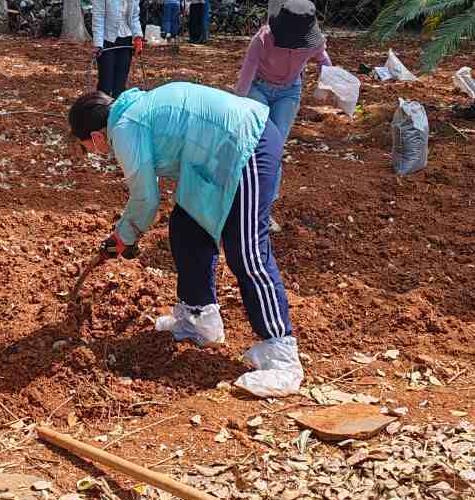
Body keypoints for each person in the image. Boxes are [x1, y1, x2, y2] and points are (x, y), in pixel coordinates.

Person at [67, 84, 304, 397]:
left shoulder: (123, 128)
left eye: (87, 145)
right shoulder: (133, 110)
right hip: (214, 156)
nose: (94, 151)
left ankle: (281, 357)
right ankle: (199, 318)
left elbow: (145, 199)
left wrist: (123, 236)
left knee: (246, 251)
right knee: (187, 229)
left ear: (96, 136)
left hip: (246, 145)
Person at [235, 0, 332, 143]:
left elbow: (323, 61)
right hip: (258, 88)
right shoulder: (262, 39)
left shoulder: (314, 44)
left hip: (289, 92)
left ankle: (273, 165)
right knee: (257, 131)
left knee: (277, 139)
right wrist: (238, 102)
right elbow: (248, 69)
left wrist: (330, 84)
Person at [91, 0, 143, 99]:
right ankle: (101, 111)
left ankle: (117, 113)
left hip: (125, 41)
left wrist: (138, 37)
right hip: (107, 41)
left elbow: (134, 17)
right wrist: (98, 44)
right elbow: (98, 17)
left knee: (120, 83)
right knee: (105, 83)